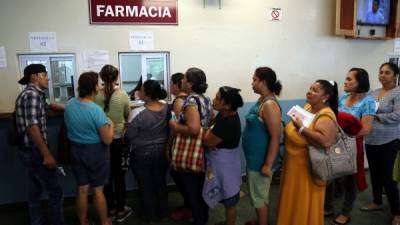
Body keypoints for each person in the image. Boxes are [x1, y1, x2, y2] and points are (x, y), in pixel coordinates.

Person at [276, 80, 339, 225]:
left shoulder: (326, 116)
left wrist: (301, 128)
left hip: (308, 169)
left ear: (326, 97)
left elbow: (325, 141)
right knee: (291, 200)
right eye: (310, 88)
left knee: (302, 203)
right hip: (293, 166)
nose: (310, 91)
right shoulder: (308, 107)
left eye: (315, 90)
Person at [14, 64, 64, 225]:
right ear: (34, 77)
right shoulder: (32, 95)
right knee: (55, 191)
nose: (48, 78)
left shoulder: (30, 94)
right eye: (44, 74)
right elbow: (32, 127)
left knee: (35, 191)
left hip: (27, 151)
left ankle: (36, 222)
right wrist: (47, 154)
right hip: (36, 152)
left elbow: (42, 111)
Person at [325, 68, 376, 225]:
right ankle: (328, 207)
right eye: (345, 79)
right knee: (330, 176)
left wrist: (345, 137)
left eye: (349, 79)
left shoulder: (368, 102)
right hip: (336, 142)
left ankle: (345, 212)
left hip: (352, 145)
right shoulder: (343, 98)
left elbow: (365, 129)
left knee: (350, 180)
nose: (345, 82)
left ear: (359, 83)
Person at [64, 72, 114, 225]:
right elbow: (107, 139)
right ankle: (104, 221)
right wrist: (110, 125)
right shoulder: (95, 110)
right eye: (99, 84)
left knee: (82, 188)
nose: (101, 86)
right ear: (93, 87)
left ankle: (83, 221)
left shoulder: (71, 104)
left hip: (75, 150)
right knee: (98, 189)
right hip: (95, 152)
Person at [169, 67, 213, 225]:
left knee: (193, 192)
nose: (182, 80)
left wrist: (175, 127)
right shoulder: (206, 99)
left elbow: (193, 129)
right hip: (203, 150)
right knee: (200, 190)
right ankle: (202, 218)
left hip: (192, 152)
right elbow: (210, 120)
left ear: (190, 83)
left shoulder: (191, 101)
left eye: (185, 78)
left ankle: (199, 220)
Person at [242, 67, 282, 225]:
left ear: (263, 82)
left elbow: (275, 137)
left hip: (260, 161)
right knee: (260, 194)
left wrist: (267, 164)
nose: (252, 83)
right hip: (255, 159)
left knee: (258, 196)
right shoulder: (262, 101)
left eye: (254, 80)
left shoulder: (269, 105)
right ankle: (261, 220)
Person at [125, 79, 169, 222]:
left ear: (148, 96)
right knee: (160, 182)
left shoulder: (137, 113)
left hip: (142, 153)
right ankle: (163, 213)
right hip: (163, 151)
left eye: (142, 90)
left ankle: (149, 215)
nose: (139, 91)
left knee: (145, 184)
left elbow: (130, 135)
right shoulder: (166, 107)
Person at [363, 62, 400, 225]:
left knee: (389, 178)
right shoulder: (374, 93)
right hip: (371, 139)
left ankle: (397, 213)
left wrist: (376, 116)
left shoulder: (398, 92)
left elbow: (397, 115)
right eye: (381, 72)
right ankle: (377, 202)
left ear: (395, 75)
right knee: (375, 174)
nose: (382, 75)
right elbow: (365, 110)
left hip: (389, 140)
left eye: (387, 73)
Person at [94, 65, 132, 222]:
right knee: (120, 177)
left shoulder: (96, 95)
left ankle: (109, 208)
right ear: (117, 77)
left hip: (101, 141)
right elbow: (128, 115)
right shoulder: (122, 94)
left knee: (106, 177)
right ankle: (121, 209)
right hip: (119, 141)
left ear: (101, 77)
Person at [203, 86, 244, 225]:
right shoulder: (224, 114)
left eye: (217, 98)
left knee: (229, 200)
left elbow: (207, 141)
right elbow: (211, 131)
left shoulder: (229, 123)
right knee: (226, 196)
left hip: (226, 166)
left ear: (227, 105)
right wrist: (209, 132)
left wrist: (207, 133)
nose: (213, 100)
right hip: (223, 164)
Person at [168, 72, 192, 221]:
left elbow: (177, 128)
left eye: (171, 83)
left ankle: (189, 209)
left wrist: (169, 146)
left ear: (178, 85)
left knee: (181, 177)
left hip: (182, 145)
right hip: (188, 145)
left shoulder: (178, 102)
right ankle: (189, 207)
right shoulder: (189, 99)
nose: (170, 86)